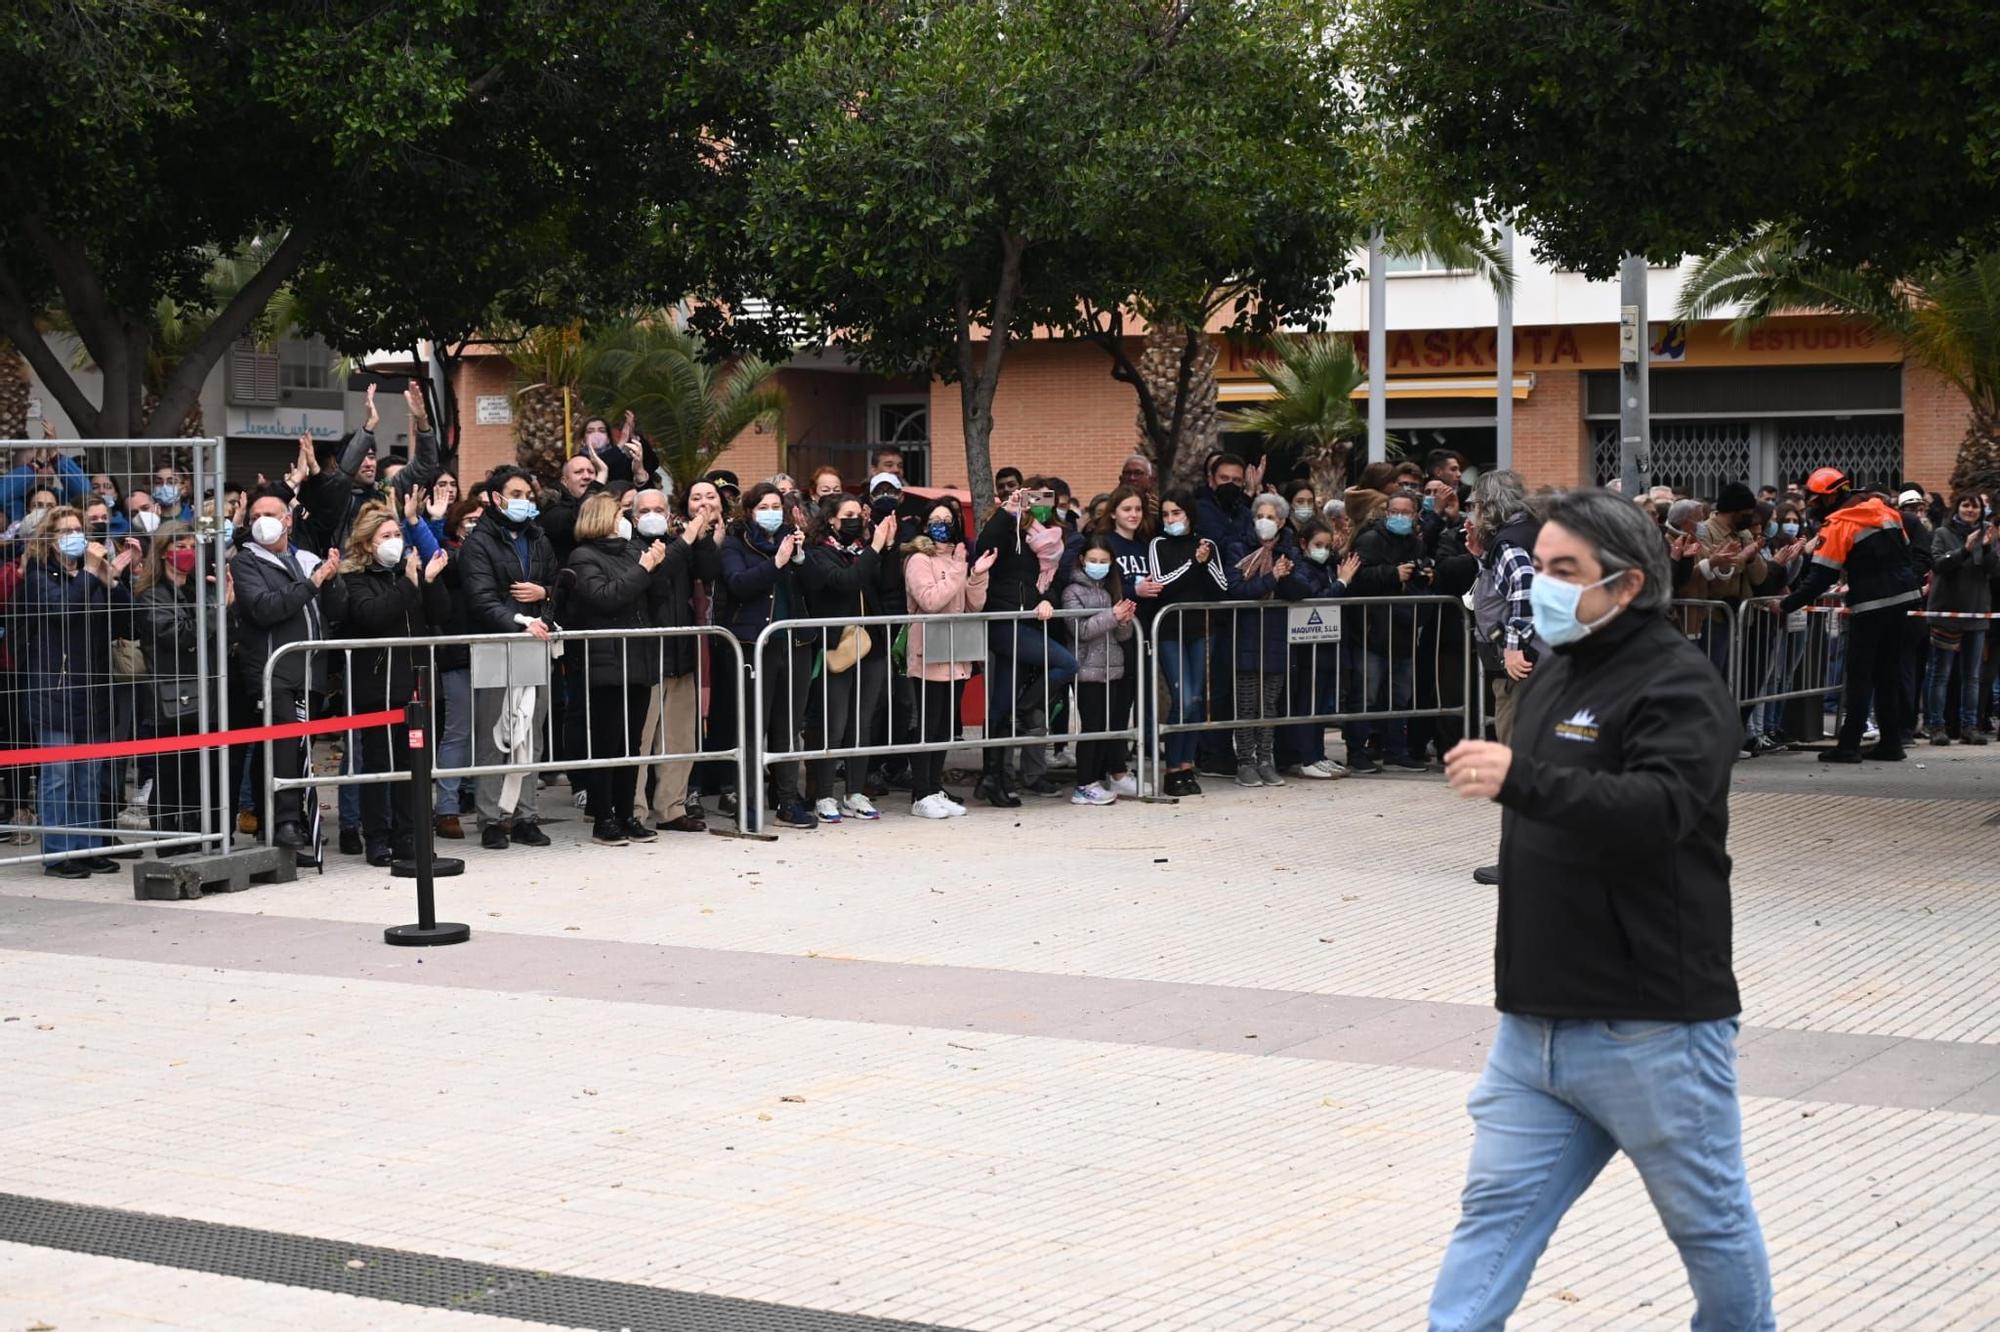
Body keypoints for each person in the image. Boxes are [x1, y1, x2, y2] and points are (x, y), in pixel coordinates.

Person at [1431, 488, 1773, 1331]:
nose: (1541, 585)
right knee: (1492, 1219)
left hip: (1651, 1028)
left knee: (1710, 1230)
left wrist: (1523, 780)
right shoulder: (1555, 669)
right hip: (1534, 1030)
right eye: (1539, 566)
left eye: (1562, 571)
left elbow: (1659, 810)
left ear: (1625, 584)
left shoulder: (1680, 684)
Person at [20, 506, 140, 876]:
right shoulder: (39, 577)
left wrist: (114, 580)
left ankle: (88, 845)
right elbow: (63, 610)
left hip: (93, 687)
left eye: (77, 529)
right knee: (58, 776)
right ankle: (58, 853)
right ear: (49, 539)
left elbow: (128, 622)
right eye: (64, 530)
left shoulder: (90, 575)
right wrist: (89, 572)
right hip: (54, 688)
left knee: (90, 775)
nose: (72, 535)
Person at [334, 502, 451, 865]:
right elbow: (371, 615)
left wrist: (428, 583)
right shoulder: (354, 578)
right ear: (368, 543)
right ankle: (377, 838)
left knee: (413, 766)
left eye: (398, 535)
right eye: (386, 536)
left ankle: (409, 836)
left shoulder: (409, 572)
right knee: (380, 766)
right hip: (378, 686)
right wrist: (409, 583)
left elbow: (441, 615)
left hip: (416, 682)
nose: (395, 542)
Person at [1778, 467, 1921, 763]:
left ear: (1829, 497)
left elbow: (1819, 577)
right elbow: (1907, 553)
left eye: (1815, 500)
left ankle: (1849, 746)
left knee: (1859, 675)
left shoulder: (1839, 524)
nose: (1813, 506)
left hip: (1870, 604)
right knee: (1887, 674)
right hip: (1902, 600)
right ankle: (1892, 743)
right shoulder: (1886, 511)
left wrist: (1786, 604)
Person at [231, 490, 344, 850]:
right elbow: (264, 608)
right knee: (281, 746)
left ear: (288, 520)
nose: (263, 520)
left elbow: (336, 609)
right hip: (273, 669)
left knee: (300, 749)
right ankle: (284, 823)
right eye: (256, 515)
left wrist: (333, 578)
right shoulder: (246, 561)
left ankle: (301, 819)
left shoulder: (305, 558)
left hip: (310, 671)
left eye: (271, 513)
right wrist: (312, 583)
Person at [457, 466, 558, 849]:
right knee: (493, 734)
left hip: (536, 644)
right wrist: (519, 620)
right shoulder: (478, 542)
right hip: (496, 645)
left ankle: (526, 816)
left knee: (531, 732)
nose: (525, 501)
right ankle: (490, 819)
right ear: (496, 498)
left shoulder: (539, 538)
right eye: (517, 494)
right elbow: (481, 598)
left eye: (529, 495)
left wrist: (545, 593)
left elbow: (557, 585)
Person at [561, 492, 668, 845]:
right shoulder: (582, 557)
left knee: (632, 744)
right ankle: (602, 816)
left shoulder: (632, 551)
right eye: (620, 513)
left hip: (638, 658)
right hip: (605, 663)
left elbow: (656, 594)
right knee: (607, 743)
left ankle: (626, 814)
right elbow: (606, 597)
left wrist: (656, 565)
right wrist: (644, 569)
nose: (625, 519)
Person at [719, 483, 818, 829]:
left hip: (795, 644)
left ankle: (788, 801)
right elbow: (738, 583)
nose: (772, 511)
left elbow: (818, 588)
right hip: (753, 645)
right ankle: (747, 803)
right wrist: (775, 564)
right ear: (749, 511)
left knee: (788, 727)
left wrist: (802, 560)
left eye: (777, 505)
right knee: (752, 728)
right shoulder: (736, 542)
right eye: (764, 506)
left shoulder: (794, 539)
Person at [973, 482, 1078, 806]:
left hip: (1028, 620)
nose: (1040, 504)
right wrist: (1008, 512)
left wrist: (1046, 599)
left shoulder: (1046, 542)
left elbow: (1048, 580)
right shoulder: (1006, 531)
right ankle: (1025, 709)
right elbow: (984, 546)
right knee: (1066, 663)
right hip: (1004, 621)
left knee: (1000, 705)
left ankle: (991, 778)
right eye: (1034, 498)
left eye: (1047, 498)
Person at [799, 492, 896, 823]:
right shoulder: (818, 554)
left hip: (871, 646)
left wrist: (886, 548)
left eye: (860, 514)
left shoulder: (863, 552)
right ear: (831, 519)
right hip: (837, 646)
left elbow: (883, 584)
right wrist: (873, 549)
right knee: (834, 723)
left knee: (862, 722)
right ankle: (824, 794)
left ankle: (855, 791)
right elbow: (845, 582)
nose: (857, 520)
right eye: (849, 514)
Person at [1464, 471, 1540, 886]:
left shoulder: (1511, 542)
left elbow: (1523, 590)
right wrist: (1481, 555)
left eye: (1476, 504)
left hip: (1524, 672)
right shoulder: (1534, 533)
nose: (1473, 512)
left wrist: (1513, 647)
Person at [632, 484, 722, 831]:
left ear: (670, 516)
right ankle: (634, 811)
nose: (652, 517)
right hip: (646, 659)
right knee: (639, 742)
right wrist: (687, 539)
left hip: (681, 653)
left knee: (680, 739)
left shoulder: (680, 545)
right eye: (645, 511)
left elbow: (709, 570)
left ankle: (672, 807)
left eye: (659, 510)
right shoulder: (630, 549)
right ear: (633, 516)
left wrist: (699, 536)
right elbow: (657, 579)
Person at [901, 498, 994, 818]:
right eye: (936, 519)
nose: (943, 524)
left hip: (956, 652)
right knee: (927, 723)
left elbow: (972, 605)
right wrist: (957, 568)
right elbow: (930, 600)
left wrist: (977, 575)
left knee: (943, 726)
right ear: (925, 525)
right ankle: (920, 793)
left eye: (948, 519)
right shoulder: (918, 559)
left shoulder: (959, 557)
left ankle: (933, 787)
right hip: (928, 651)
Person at [1137, 491, 1227, 795]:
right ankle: (1172, 768)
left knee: (1197, 701)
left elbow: (1221, 587)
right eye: (1165, 514)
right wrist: (1194, 563)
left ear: (1189, 514)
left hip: (1201, 630)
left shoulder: (1207, 545)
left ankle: (1188, 765)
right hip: (1169, 632)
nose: (1171, 519)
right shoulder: (1158, 544)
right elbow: (1162, 583)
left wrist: (1205, 561)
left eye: (1176, 513)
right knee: (1184, 698)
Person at [134, 521, 217, 849]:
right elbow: (180, 635)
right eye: (180, 545)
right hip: (169, 698)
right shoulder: (150, 594)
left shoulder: (199, 587)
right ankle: (170, 841)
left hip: (205, 693)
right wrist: (215, 611)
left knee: (199, 774)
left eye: (192, 546)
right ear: (164, 551)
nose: (188, 553)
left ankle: (197, 836)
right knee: (169, 776)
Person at [1346, 491, 1429, 772]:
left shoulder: (1417, 544)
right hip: (1371, 631)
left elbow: (1419, 583)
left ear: (1416, 515)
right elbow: (1356, 577)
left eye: (1406, 512)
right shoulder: (1369, 540)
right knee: (1365, 695)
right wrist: (1393, 575)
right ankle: (1356, 750)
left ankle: (1396, 748)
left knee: (1400, 695)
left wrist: (1423, 575)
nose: (1399, 517)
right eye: (1394, 511)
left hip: (1403, 630)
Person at [1224, 494, 1304, 787]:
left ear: (1282, 522)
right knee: (1246, 704)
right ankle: (1245, 762)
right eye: (1261, 516)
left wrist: (1286, 576)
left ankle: (1266, 760)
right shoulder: (1237, 547)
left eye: (1272, 518)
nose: (1265, 522)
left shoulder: (1289, 551)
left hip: (1276, 636)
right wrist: (1271, 578)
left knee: (1268, 704)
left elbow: (1300, 589)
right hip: (1246, 635)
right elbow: (1236, 589)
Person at [1275, 520, 1360, 780]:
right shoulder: (1301, 568)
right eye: (1317, 545)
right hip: (1307, 649)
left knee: (1321, 704)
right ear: (1303, 544)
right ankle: (1304, 757)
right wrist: (1343, 583)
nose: (1323, 550)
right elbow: (1316, 597)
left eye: (1326, 545)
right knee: (1307, 703)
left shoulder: (1327, 566)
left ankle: (1317, 754)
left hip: (1328, 646)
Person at [1062, 538, 1137, 805]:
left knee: (1106, 727)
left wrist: (1125, 620)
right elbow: (1080, 630)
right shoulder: (1072, 592)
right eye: (1093, 560)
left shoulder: (1108, 591)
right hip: (1086, 670)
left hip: (1112, 668)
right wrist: (1113, 616)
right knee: (1092, 727)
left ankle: (1098, 779)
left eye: (1104, 561)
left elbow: (1121, 634)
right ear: (1082, 559)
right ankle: (1084, 783)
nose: (1098, 566)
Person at [1926, 493, 1999, 745]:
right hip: (1947, 612)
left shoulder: (1987, 535)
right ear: (1957, 507)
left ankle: (1970, 725)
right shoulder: (1942, 534)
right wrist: (1964, 550)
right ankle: (1937, 726)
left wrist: (1988, 548)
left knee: (1973, 676)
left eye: (1975, 506)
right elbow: (1938, 565)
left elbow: (1994, 571)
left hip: (1977, 612)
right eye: (1965, 505)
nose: (1970, 510)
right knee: (1941, 674)